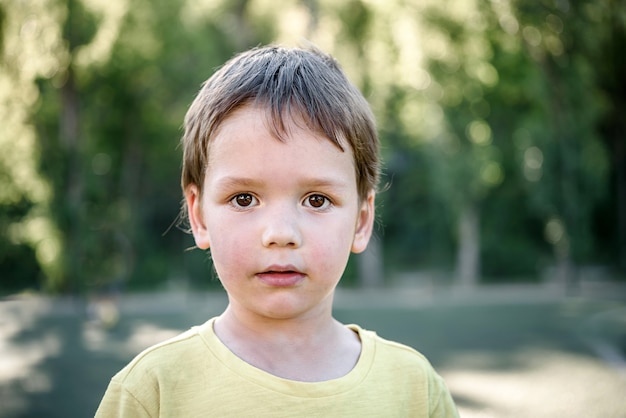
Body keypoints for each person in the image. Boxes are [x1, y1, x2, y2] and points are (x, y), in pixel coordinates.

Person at [95, 44, 459, 417]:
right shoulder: (152, 391)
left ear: (361, 221)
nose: (280, 233)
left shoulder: (413, 389)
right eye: (244, 199)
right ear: (199, 217)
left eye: (316, 200)